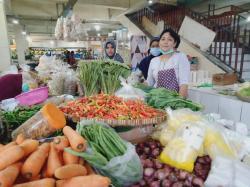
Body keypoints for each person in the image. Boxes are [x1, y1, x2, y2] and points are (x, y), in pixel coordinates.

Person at [146, 28, 190, 98]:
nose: (165, 42)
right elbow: (149, 83)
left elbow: (183, 84)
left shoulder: (180, 57)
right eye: (163, 39)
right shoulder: (154, 61)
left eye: (170, 39)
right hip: (157, 100)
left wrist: (178, 103)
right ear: (159, 42)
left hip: (174, 100)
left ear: (174, 43)